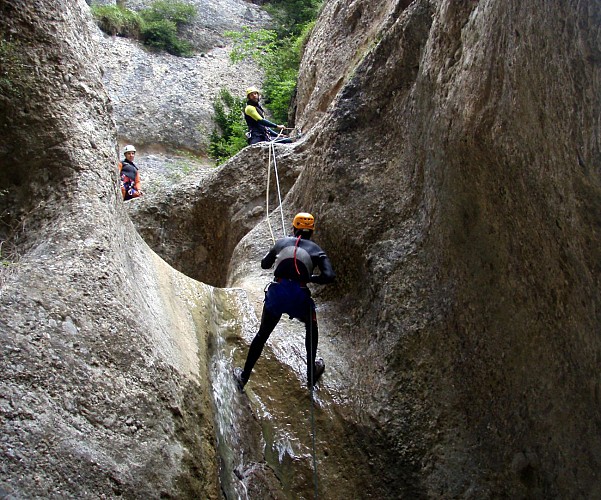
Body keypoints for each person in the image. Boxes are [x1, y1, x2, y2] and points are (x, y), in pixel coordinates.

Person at [234, 212, 335, 392]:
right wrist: (309, 277)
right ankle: (311, 372)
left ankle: (244, 377)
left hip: (277, 294)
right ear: (311, 231)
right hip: (299, 296)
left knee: (262, 335)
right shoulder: (317, 250)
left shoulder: (282, 243)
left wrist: (276, 253)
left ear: (294, 228)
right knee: (311, 328)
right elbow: (329, 276)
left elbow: (265, 264)